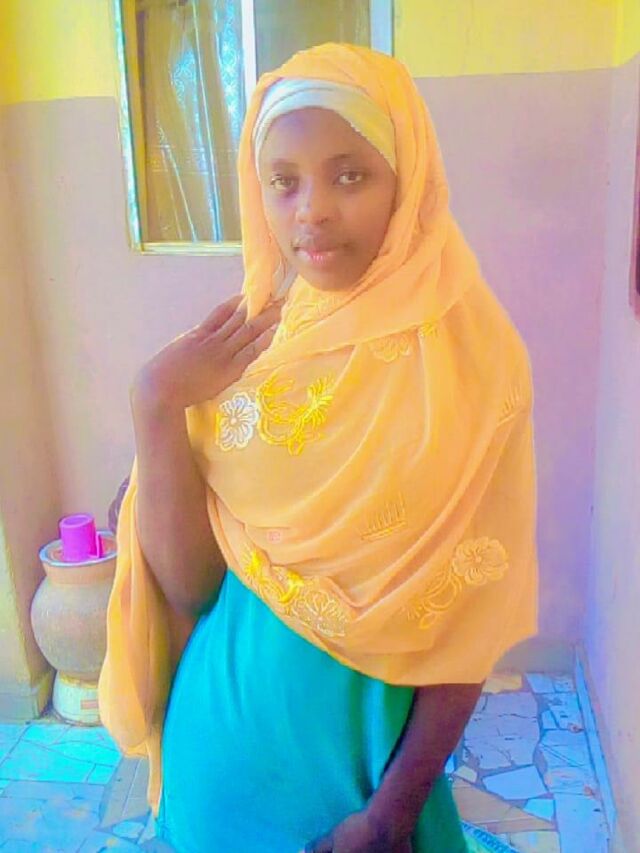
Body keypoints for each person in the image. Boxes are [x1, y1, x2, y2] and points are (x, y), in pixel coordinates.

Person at [99, 43, 538, 852]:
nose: (313, 212)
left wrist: (392, 814)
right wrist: (155, 404)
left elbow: (469, 622)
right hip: (216, 764)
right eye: (283, 181)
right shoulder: (254, 345)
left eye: (350, 175)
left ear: (407, 180)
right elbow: (194, 587)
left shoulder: (473, 365)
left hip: (360, 787)